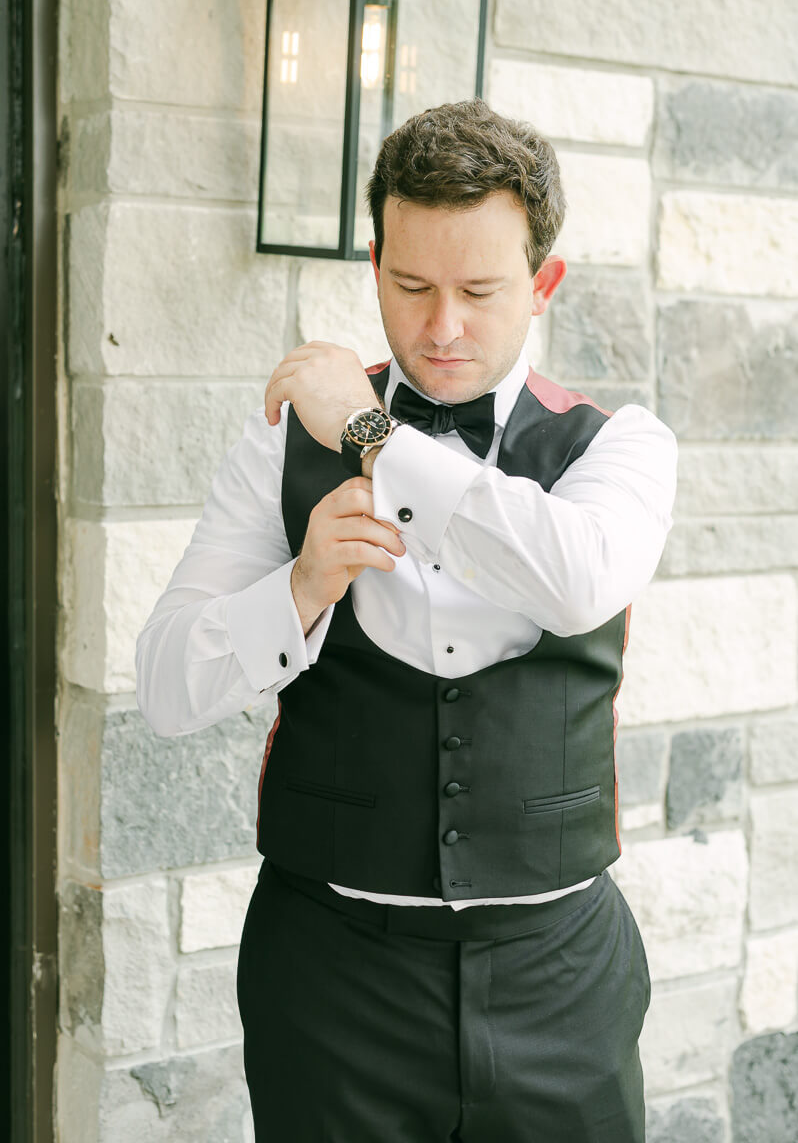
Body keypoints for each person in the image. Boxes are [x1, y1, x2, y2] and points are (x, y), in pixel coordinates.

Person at [136, 98, 677, 1142]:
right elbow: (163, 689)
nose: (440, 328)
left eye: (479, 291)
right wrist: (294, 591)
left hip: (560, 978)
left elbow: (574, 578)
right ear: (374, 263)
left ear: (543, 283)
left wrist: (375, 436)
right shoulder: (281, 448)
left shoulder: (623, 448)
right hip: (331, 981)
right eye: (411, 285)